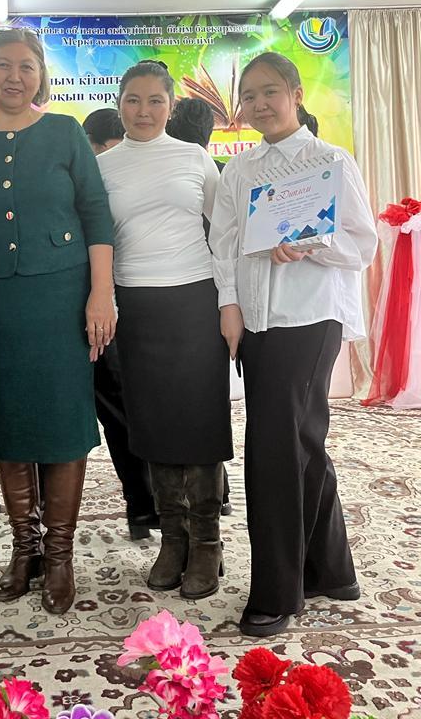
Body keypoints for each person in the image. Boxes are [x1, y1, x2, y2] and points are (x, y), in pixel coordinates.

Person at [0, 27, 115, 615]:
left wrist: (101, 294)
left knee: (64, 422)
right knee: (9, 422)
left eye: (26, 66)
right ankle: (26, 548)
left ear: (40, 76)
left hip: (63, 299)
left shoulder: (65, 132)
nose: (14, 77)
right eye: (3, 65)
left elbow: (96, 215)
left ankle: (60, 555)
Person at [210, 51, 377, 637]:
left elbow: (361, 244)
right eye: (249, 96)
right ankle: (331, 570)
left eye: (270, 92)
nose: (259, 104)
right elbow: (224, 246)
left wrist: (308, 243)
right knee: (302, 439)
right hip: (256, 321)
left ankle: (278, 593)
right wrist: (230, 309)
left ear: (297, 95)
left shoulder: (330, 161)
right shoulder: (239, 170)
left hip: (309, 318)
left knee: (273, 450)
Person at [98, 61, 232, 600]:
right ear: (120, 103)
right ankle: (172, 539)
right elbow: (99, 243)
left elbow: (226, 233)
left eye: (156, 100)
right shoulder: (103, 167)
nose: (144, 110)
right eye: (134, 99)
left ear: (171, 107)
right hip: (136, 305)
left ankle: (207, 542)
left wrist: (231, 301)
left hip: (195, 298)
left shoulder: (194, 157)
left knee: (199, 419)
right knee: (151, 424)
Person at [82, 108, 158, 540]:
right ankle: (143, 505)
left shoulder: (159, 167)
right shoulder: (86, 175)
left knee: (130, 407)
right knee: (118, 407)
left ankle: (149, 505)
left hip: (135, 303)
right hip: (100, 304)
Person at [165, 96, 233, 517]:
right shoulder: (222, 171)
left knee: (174, 398)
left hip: (185, 294)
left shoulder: (185, 172)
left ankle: (194, 500)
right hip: (213, 295)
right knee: (208, 397)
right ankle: (216, 494)